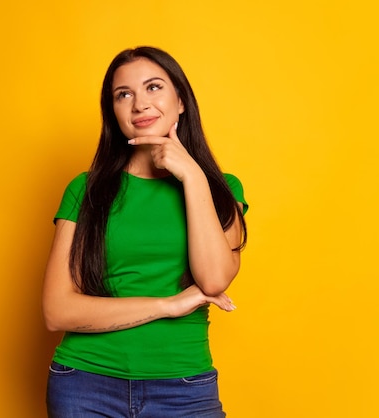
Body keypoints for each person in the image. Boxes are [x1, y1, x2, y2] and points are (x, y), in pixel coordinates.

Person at [43, 46, 248, 418]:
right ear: (114, 112)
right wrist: (167, 306)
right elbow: (57, 310)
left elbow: (214, 279)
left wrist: (192, 175)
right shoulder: (85, 190)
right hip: (85, 383)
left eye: (153, 87)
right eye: (124, 95)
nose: (139, 104)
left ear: (181, 101)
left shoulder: (221, 188)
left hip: (185, 389)